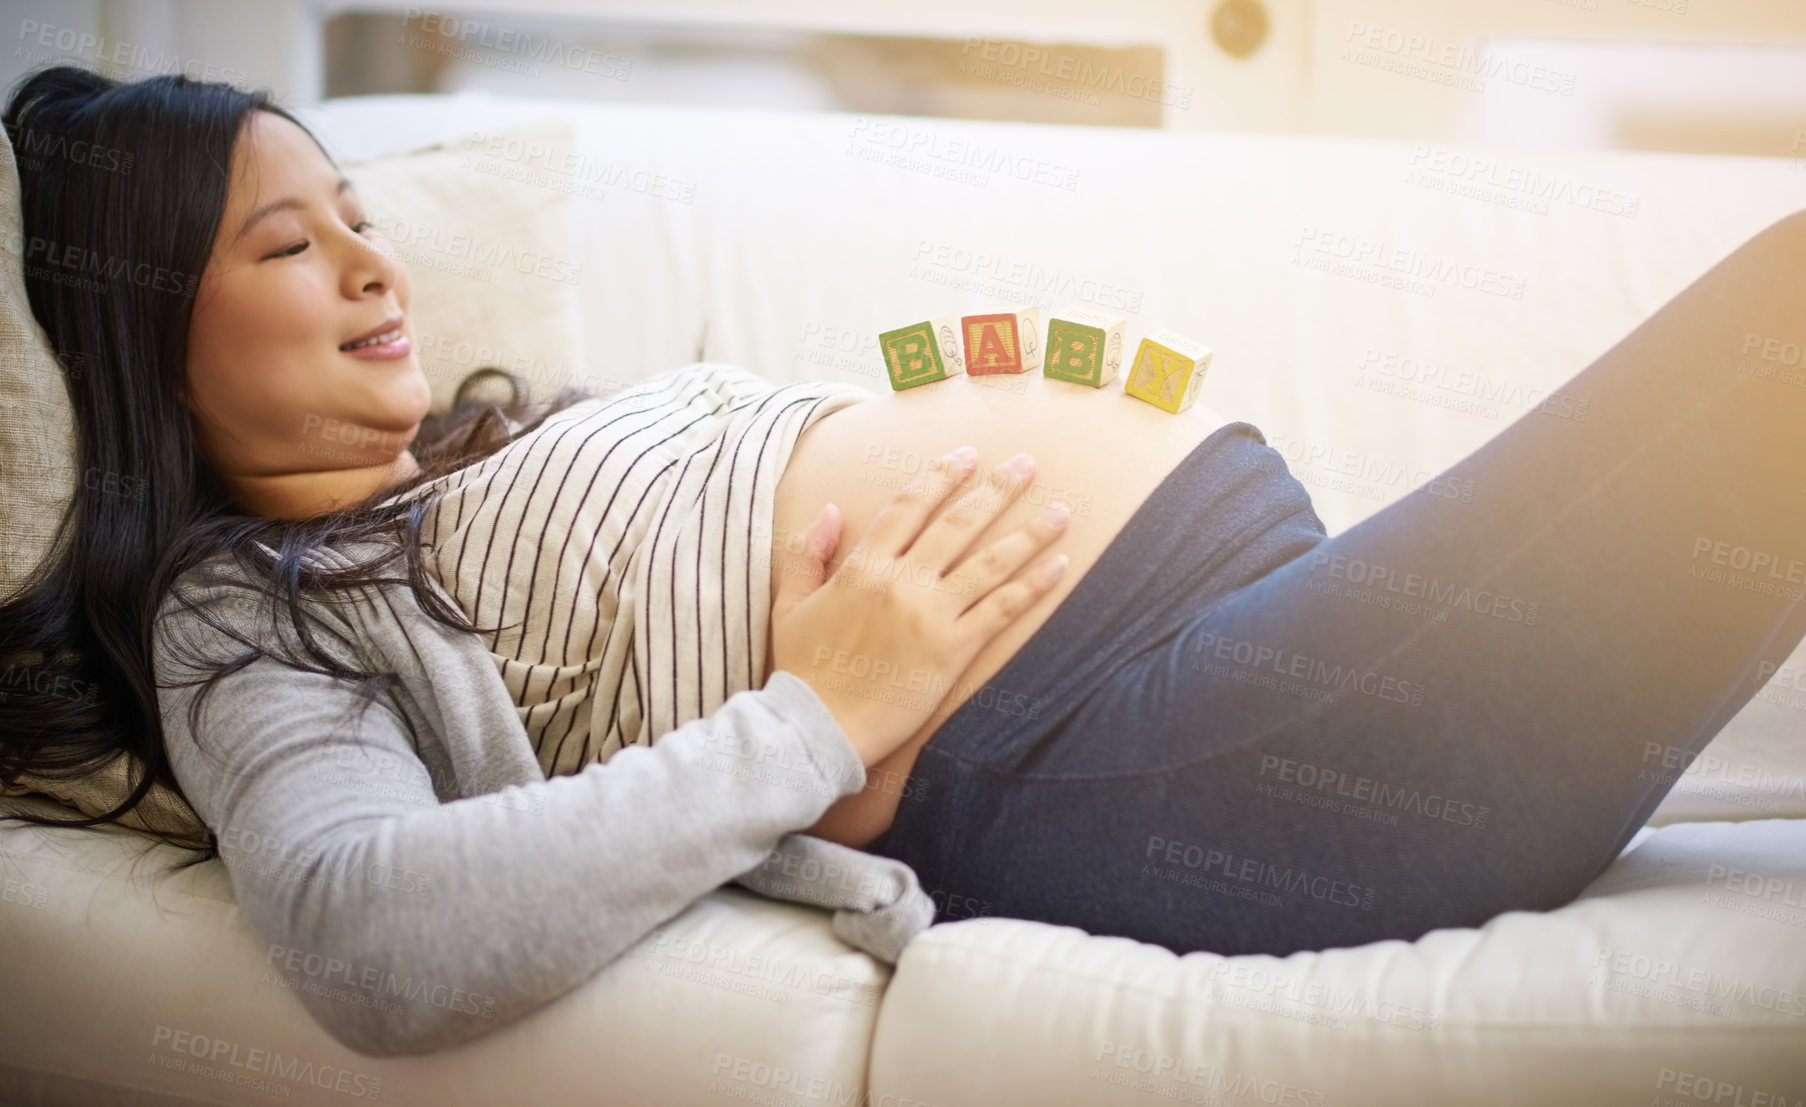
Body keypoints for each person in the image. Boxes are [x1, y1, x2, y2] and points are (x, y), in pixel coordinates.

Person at [2, 64, 1802, 1055]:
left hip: (1234, 622)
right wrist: (818, 709)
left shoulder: (478, 450)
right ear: (153, 331)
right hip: (1123, 750)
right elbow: (363, 938)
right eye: (287, 247)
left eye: (363, 223)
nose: (376, 270)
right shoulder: (248, 615)